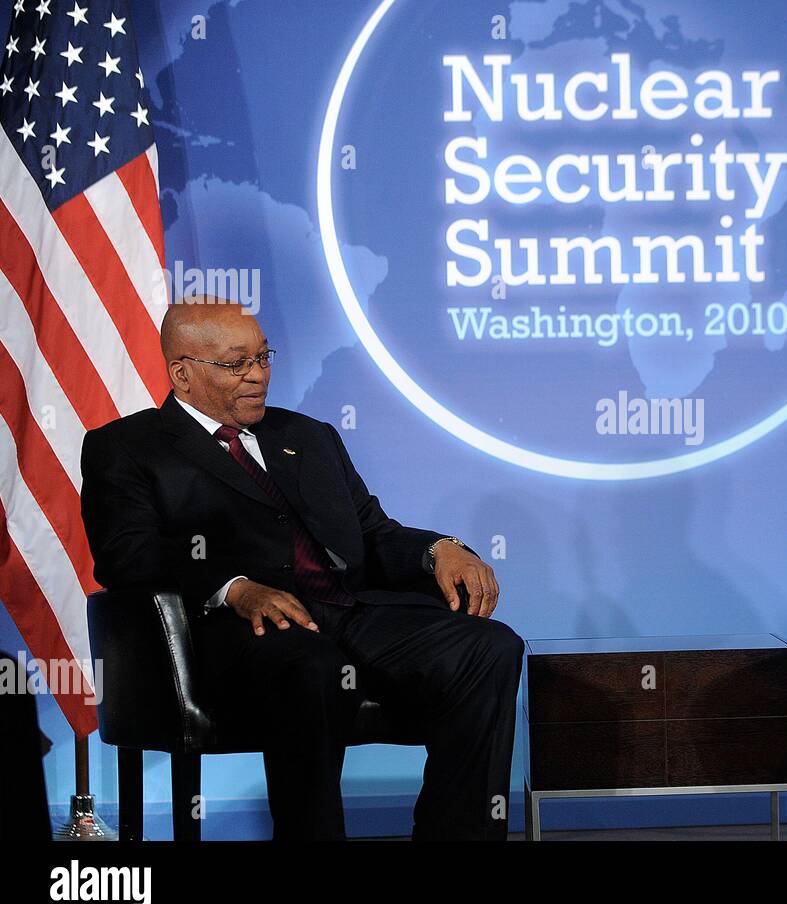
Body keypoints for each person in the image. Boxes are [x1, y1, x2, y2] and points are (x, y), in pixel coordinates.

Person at [80, 298, 522, 840]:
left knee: (488, 647)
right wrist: (234, 588)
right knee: (309, 665)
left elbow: (372, 534)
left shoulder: (308, 437)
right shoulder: (126, 447)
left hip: (350, 612)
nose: (258, 375)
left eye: (264, 358)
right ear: (183, 373)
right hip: (240, 632)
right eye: (237, 364)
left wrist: (440, 550)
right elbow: (127, 554)